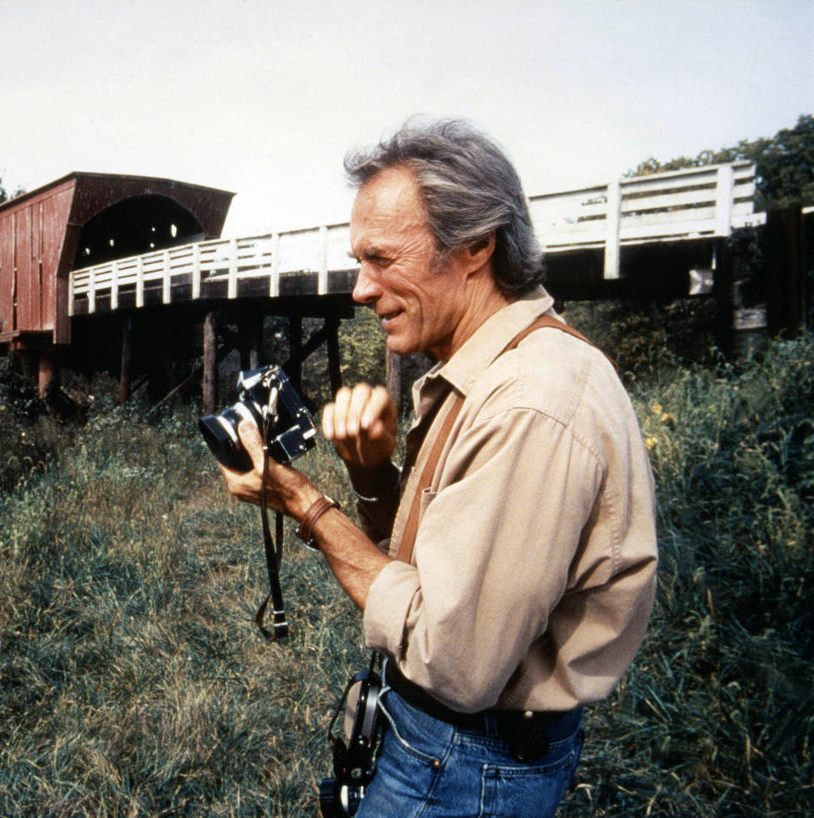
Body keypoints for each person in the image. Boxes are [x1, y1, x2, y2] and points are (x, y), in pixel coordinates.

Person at [218, 120, 657, 816]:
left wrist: (304, 503)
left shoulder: (529, 405)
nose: (360, 290)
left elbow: (454, 662)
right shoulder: (496, 372)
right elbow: (443, 568)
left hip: (466, 765)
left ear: (475, 246)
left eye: (381, 258)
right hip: (446, 749)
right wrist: (369, 475)